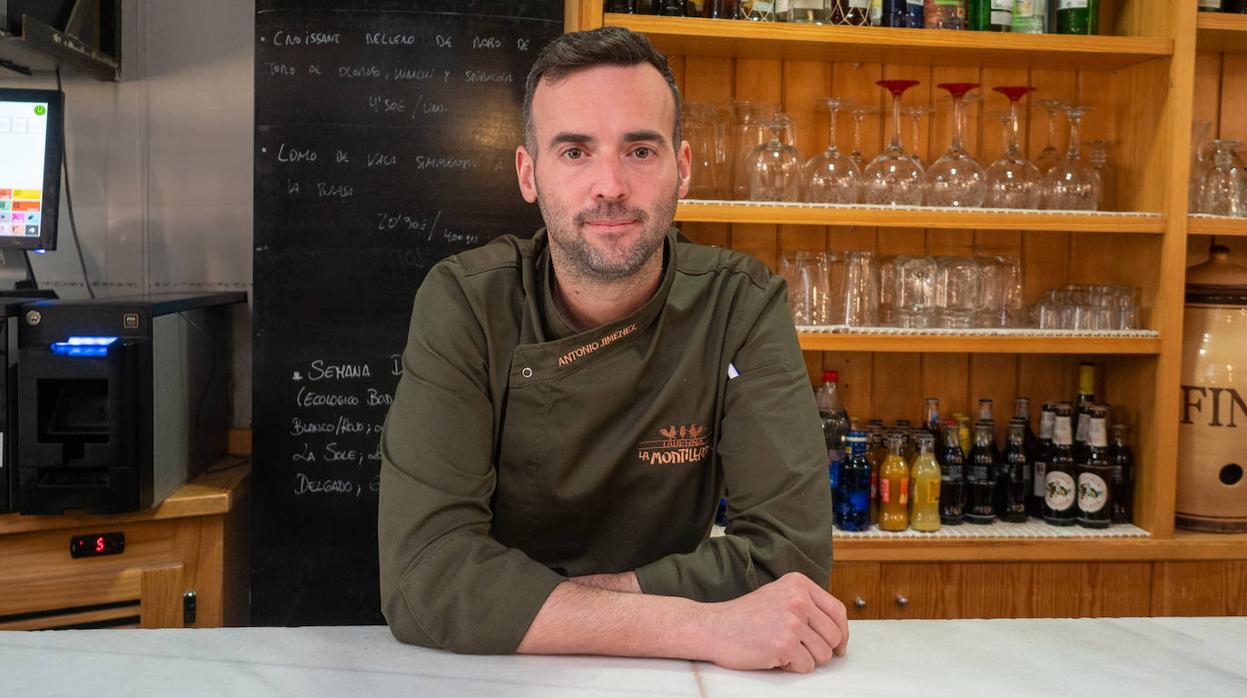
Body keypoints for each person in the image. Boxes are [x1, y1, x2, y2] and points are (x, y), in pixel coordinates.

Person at [378, 26, 848, 673]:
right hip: (497, 672)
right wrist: (702, 624)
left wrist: (549, 603)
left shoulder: (740, 303)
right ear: (529, 173)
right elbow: (425, 576)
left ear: (682, 168)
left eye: (640, 150)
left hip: (641, 669)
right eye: (575, 151)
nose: (610, 185)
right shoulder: (467, 301)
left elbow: (788, 558)